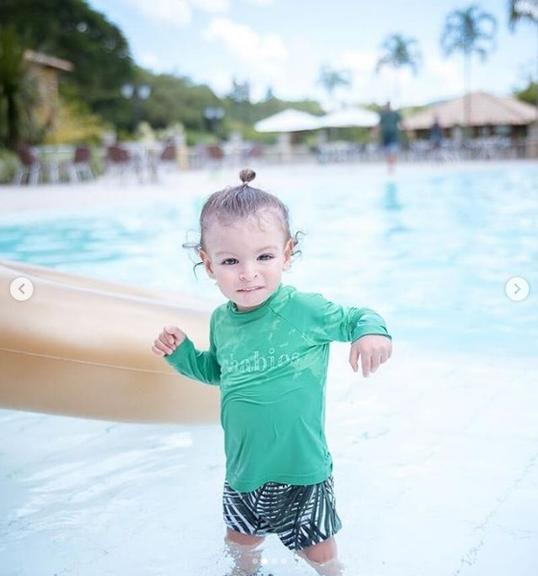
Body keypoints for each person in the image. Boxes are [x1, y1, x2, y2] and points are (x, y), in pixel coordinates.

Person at [152, 169, 393, 576]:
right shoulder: (221, 321)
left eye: (263, 256)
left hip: (302, 470)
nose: (248, 273)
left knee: (321, 556)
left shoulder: (303, 310)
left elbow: (358, 316)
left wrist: (370, 333)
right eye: (231, 261)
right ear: (208, 265)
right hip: (244, 471)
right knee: (241, 549)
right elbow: (219, 372)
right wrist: (183, 355)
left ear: (287, 253)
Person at [378, 101, 402, 173]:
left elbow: (402, 122)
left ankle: (392, 166)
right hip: (385, 137)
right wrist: (374, 132)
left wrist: (409, 131)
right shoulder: (383, 115)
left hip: (393, 136)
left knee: (393, 151)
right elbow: (379, 124)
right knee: (388, 152)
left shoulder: (395, 114)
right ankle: (390, 166)